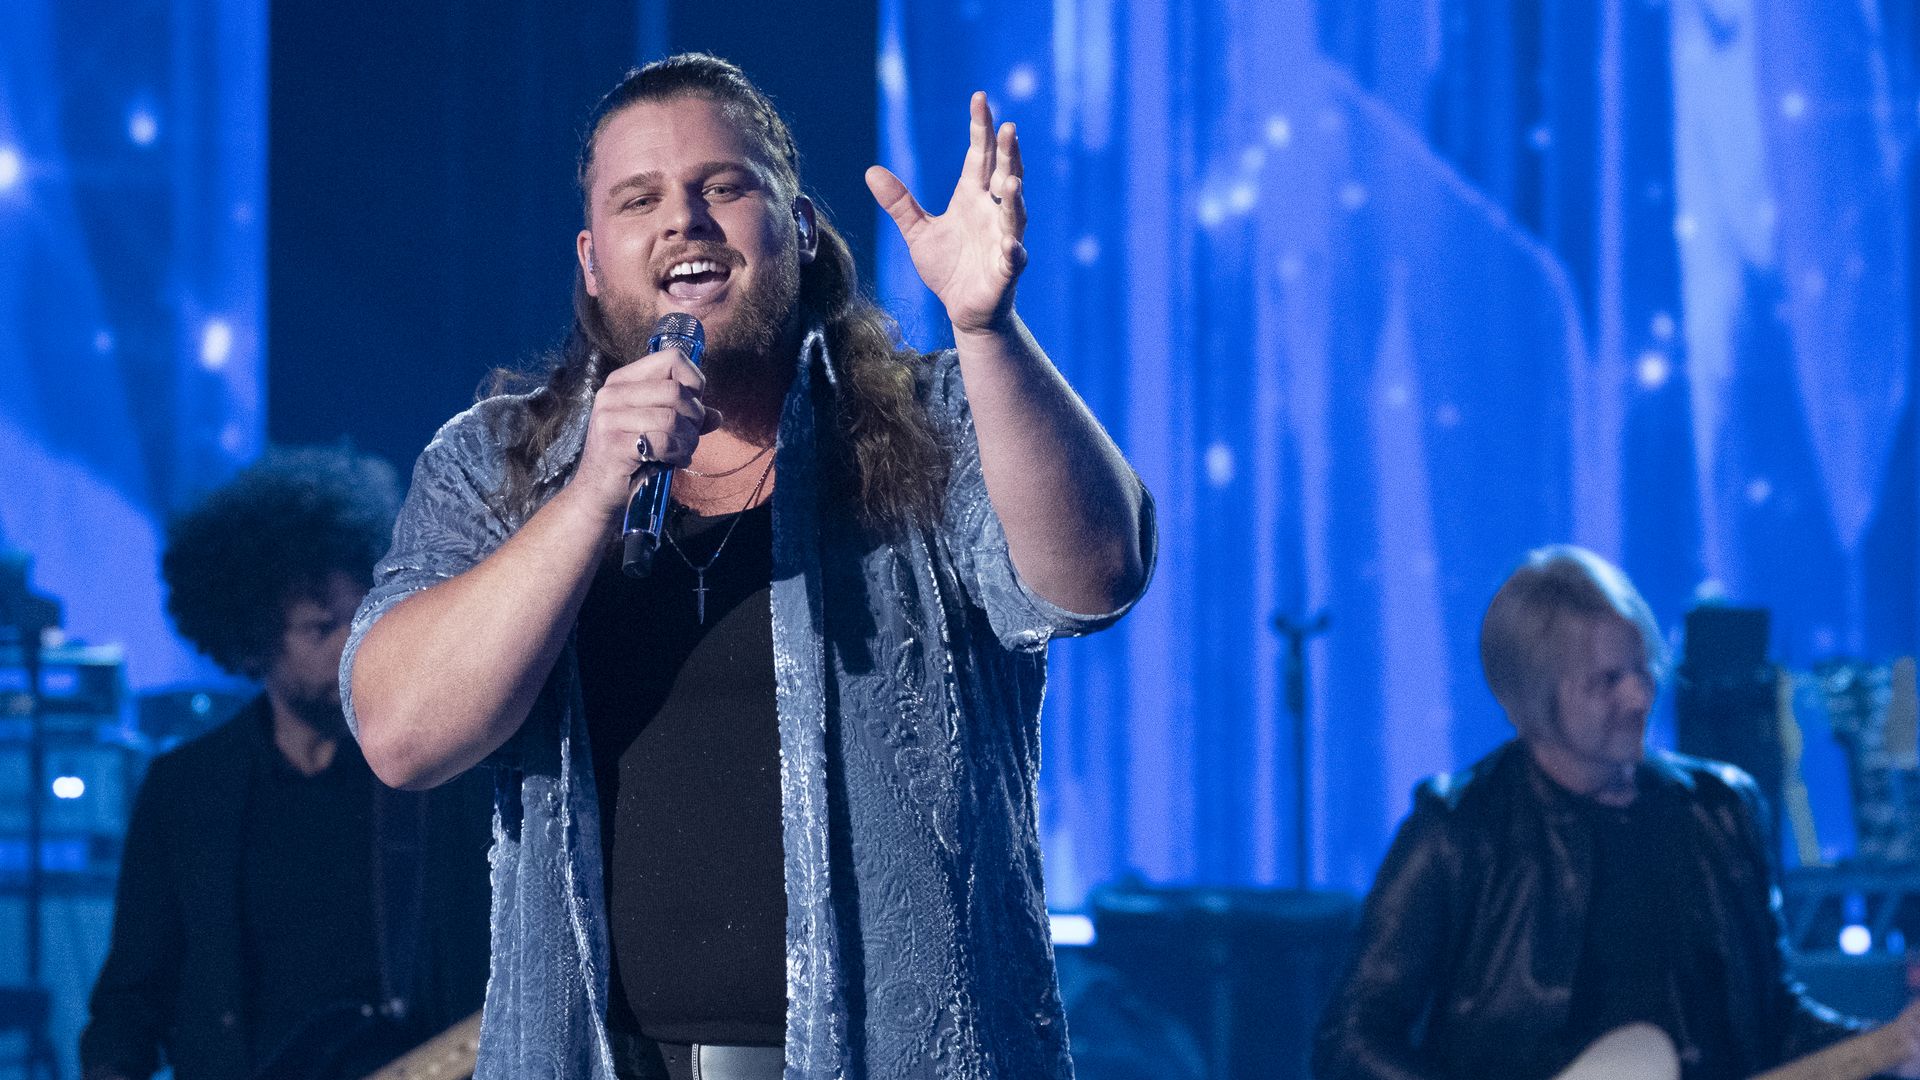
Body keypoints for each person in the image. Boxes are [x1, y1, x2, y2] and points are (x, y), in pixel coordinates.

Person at [343, 53, 1154, 1080]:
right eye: (641, 201)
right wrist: (592, 492)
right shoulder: (496, 463)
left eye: (724, 187)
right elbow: (402, 737)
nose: (684, 220)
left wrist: (985, 329)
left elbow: (1093, 579)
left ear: (801, 228)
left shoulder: (941, 417)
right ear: (593, 260)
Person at [1313, 545, 1920, 1080]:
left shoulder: (1720, 809)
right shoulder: (1457, 830)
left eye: (1643, 668)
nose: (1639, 697)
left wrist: (1890, 1046)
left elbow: (1773, 1017)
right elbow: (1353, 1041)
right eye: (1607, 681)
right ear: (1532, 696)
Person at [81, 447, 492, 1080]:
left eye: (364, 614)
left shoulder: (437, 774)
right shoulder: (188, 791)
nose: (355, 643)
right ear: (253, 642)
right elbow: (130, 1002)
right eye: (321, 627)